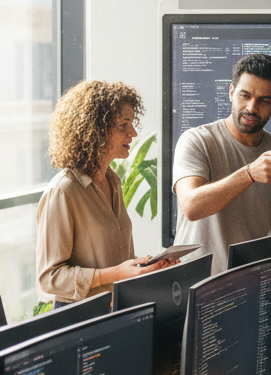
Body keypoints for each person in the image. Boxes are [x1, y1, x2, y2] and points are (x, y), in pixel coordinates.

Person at [37, 79, 174, 304]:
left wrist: (148, 267)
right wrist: (114, 274)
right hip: (81, 323)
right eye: (123, 125)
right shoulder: (62, 192)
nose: (133, 133)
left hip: (115, 314)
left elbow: (118, 262)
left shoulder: (113, 181)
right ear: (95, 130)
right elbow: (49, 279)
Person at [173, 53, 271, 274]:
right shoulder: (197, 140)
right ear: (232, 92)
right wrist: (249, 174)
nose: (251, 107)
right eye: (245, 95)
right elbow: (191, 207)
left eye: (264, 100)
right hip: (191, 289)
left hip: (248, 289)